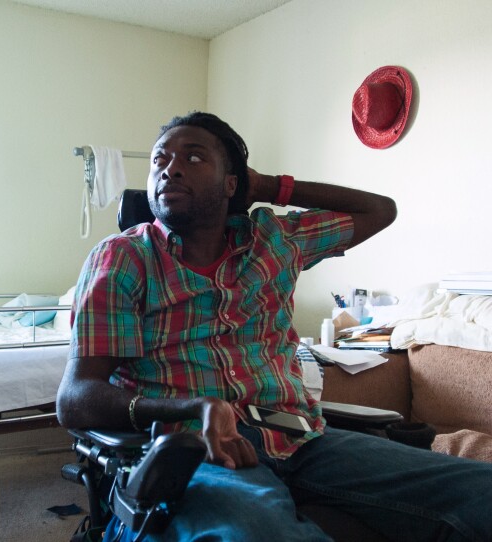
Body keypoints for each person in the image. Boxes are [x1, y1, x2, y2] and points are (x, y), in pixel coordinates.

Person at [57, 111, 492, 541]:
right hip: (193, 451)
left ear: (233, 184)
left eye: (193, 158)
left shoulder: (277, 240)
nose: (169, 168)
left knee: (479, 492)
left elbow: (380, 210)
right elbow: (76, 399)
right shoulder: (123, 259)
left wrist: (268, 186)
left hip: (301, 439)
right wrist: (195, 407)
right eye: (160, 160)